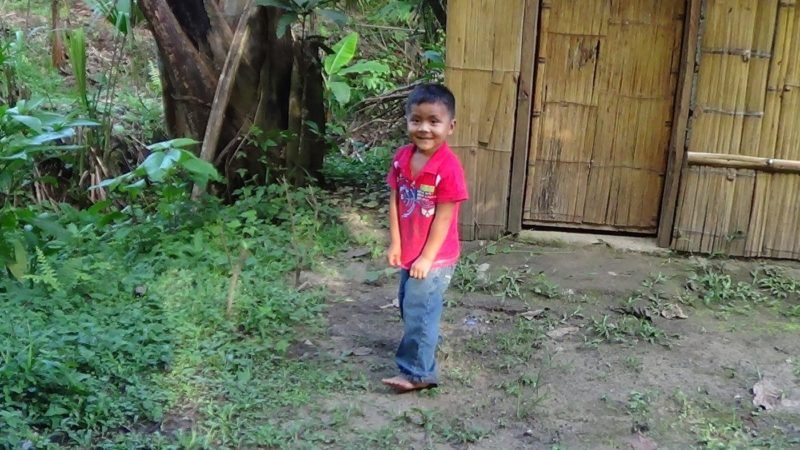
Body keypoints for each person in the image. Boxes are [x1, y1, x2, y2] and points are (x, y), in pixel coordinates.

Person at [381, 83, 469, 393]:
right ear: (407, 121)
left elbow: (444, 218)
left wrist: (427, 257)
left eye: (434, 121)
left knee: (419, 310)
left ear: (450, 126)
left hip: (434, 258)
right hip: (409, 252)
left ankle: (417, 373)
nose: (424, 128)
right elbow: (394, 199)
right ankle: (425, 345)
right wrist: (396, 242)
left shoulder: (449, 168)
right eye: (416, 120)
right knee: (411, 306)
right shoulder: (402, 157)